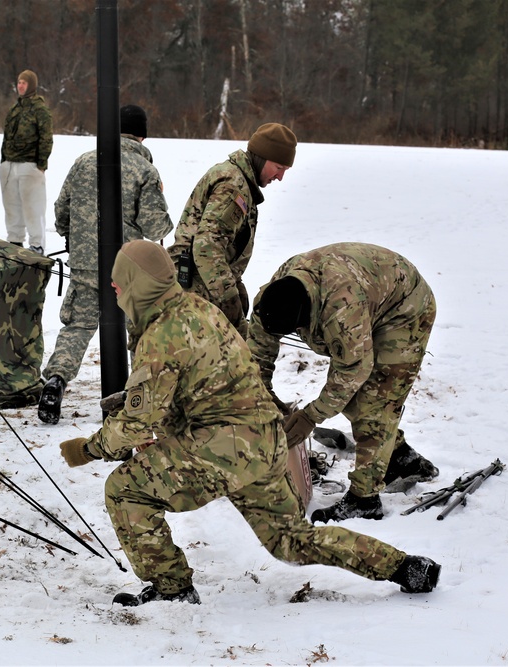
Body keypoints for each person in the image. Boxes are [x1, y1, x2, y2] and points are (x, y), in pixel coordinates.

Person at [58, 240, 441, 606]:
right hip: (264, 440)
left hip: (223, 448)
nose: (114, 288)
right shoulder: (198, 309)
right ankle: (404, 567)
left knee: (124, 490)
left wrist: (88, 449)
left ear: (136, 286)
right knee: (292, 540)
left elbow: (135, 426)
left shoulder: (161, 335)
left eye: (118, 281)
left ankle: (172, 589)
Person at [248, 242, 440, 523]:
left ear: (306, 320)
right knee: (353, 403)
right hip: (368, 292)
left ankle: (365, 500)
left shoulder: (341, 309)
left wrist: (310, 417)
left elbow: (352, 373)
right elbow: (258, 350)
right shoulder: (272, 296)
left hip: (404, 309)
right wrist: (261, 394)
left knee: (375, 404)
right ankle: (400, 459)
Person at [38, 105, 172, 424]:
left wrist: (76, 240)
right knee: (139, 330)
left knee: (78, 325)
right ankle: (139, 396)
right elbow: (156, 227)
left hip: (85, 262)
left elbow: (61, 210)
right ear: (142, 135)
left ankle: (55, 380)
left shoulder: (84, 161)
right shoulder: (145, 170)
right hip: (131, 269)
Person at [167, 123, 297, 338]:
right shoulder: (233, 186)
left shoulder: (237, 179)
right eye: (279, 167)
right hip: (198, 291)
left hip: (201, 286)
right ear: (263, 157)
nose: (280, 177)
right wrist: (229, 299)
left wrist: (236, 286)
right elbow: (207, 247)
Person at [0, 69, 53, 254]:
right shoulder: (15, 109)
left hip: (30, 164)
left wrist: (41, 164)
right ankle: (14, 240)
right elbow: (6, 136)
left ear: (31, 85)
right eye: (19, 82)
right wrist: (3, 161)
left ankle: (37, 243)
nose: (20, 85)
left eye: (24, 82)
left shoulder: (40, 109)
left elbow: (46, 137)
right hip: (9, 164)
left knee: (33, 207)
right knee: (11, 206)